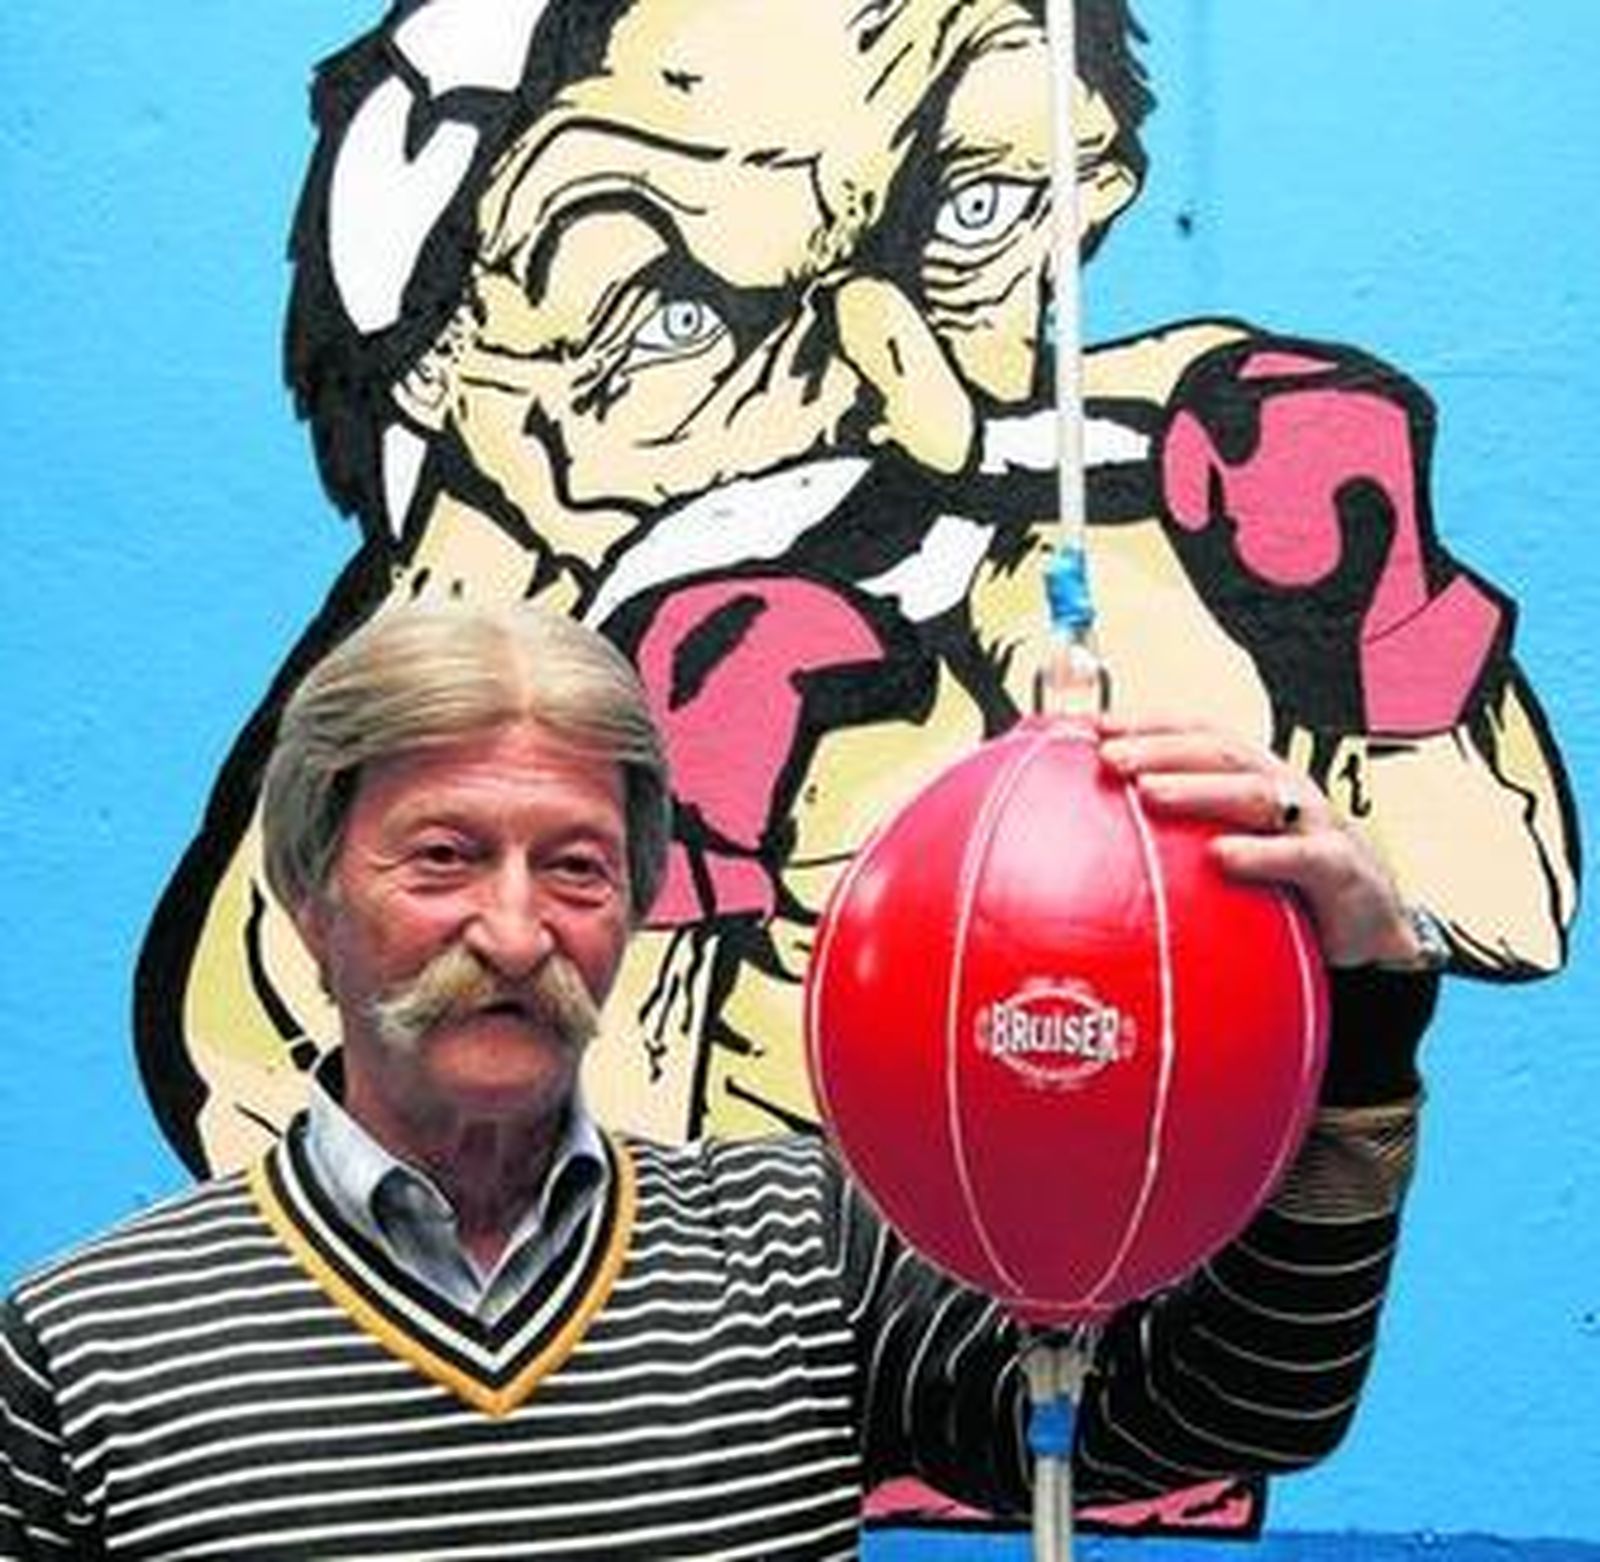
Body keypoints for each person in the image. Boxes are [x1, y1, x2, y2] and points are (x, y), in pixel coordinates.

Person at [134, 0, 1576, 1182]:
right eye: (680, 308)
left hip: (1129, 1373)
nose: (908, 396)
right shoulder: (443, 712)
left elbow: (1504, 913)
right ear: (451, 367)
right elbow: (328, 1143)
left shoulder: (1152, 494)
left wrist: (1388, 644)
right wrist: (679, 876)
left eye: (975, 212)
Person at [10, 603, 1433, 1557]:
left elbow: (1226, 1411)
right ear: (310, 897)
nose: (514, 929)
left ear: (635, 909)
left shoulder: (803, 1247)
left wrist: (1365, 1018)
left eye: (576, 867)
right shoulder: (83, 1352)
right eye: (443, 857)